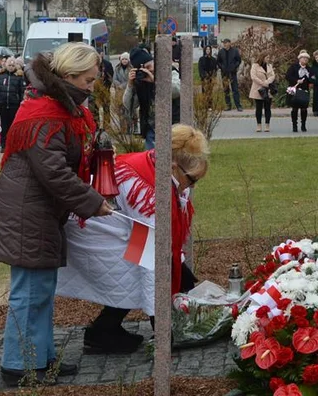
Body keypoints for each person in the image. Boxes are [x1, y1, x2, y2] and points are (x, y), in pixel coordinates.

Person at [0, 43, 111, 386]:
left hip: (38, 211)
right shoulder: (45, 114)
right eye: (87, 80)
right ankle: (20, 365)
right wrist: (92, 202)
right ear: (69, 77)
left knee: (41, 290)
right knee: (29, 292)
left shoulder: (56, 108)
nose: (91, 86)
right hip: (29, 211)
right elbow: (54, 172)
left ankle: (41, 358)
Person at [58, 124, 209, 353]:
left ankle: (105, 329)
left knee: (148, 263)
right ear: (175, 167)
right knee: (135, 267)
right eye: (192, 180)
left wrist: (180, 271)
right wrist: (162, 331)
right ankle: (102, 331)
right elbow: (151, 259)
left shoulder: (155, 165)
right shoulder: (149, 192)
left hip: (114, 227)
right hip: (91, 231)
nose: (192, 186)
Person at [0, 56, 26, 153]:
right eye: (9, 65)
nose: (11, 67)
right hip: (3, 105)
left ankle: (13, 145)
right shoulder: (0, 76)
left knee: (13, 126)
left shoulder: (18, 77)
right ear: (6, 65)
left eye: (12, 65)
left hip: (14, 105)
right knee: (4, 126)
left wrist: (22, 104)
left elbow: (22, 92)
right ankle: (4, 145)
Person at [125, 47, 156, 149]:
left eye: (149, 66)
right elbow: (128, 105)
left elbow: (176, 90)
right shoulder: (140, 81)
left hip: (172, 125)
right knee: (152, 161)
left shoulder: (168, 71)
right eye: (144, 68)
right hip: (150, 127)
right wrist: (130, 84)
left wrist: (155, 82)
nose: (148, 70)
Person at [285, 51, 312, 133]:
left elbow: (312, 78)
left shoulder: (309, 68)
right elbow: (288, 76)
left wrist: (309, 78)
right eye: (304, 58)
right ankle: (294, 125)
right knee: (295, 109)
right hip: (295, 90)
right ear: (300, 59)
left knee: (304, 109)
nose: (305, 60)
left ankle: (303, 125)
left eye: (307, 59)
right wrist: (297, 80)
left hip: (304, 90)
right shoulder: (294, 67)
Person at [248, 54, 275, 133]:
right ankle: (259, 125)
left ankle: (267, 124)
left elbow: (273, 76)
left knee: (268, 108)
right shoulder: (255, 66)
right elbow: (253, 77)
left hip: (268, 89)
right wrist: (262, 83)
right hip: (258, 89)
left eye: (269, 57)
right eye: (267, 57)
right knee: (259, 108)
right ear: (262, 57)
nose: (268, 59)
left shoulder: (269, 66)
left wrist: (267, 82)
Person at [217, 38, 242, 111]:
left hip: (232, 73)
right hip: (224, 73)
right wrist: (222, 67)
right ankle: (228, 105)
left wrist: (235, 67)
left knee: (235, 90)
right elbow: (218, 61)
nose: (224, 44)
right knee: (226, 90)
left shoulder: (235, 51)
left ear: (229, 43)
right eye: (224, 43)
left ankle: (238, 106)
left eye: (226, 43)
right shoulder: (221, 52)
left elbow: (238, 60)